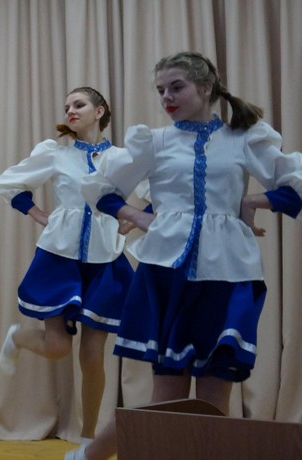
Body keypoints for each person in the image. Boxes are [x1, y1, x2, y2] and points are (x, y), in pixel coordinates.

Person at [73, 51, 302, 460]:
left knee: (214, 395)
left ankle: (92, 455)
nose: (167, 97)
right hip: (166, 272)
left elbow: (294, 183)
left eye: (176, 87)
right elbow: (101, 190)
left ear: (206, 88)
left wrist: (253, 200)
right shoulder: (154, 141)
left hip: (228, 272)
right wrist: (138, 217)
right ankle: (91, 455)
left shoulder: (244, 138)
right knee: (167, 396)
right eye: (161, 90)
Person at [0, 87, 134, 444]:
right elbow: (8, 182)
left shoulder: (121, 158)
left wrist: (133, 219)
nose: (70, 110)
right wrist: (39, 214)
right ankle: (18, 338)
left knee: (93, 356)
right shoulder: (54, 153)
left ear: (99, 111)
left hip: (105, 258)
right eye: (67, 106)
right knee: (58, 348)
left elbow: (156, 189)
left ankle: (87, 439)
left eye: (79, 104)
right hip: (59, 257)